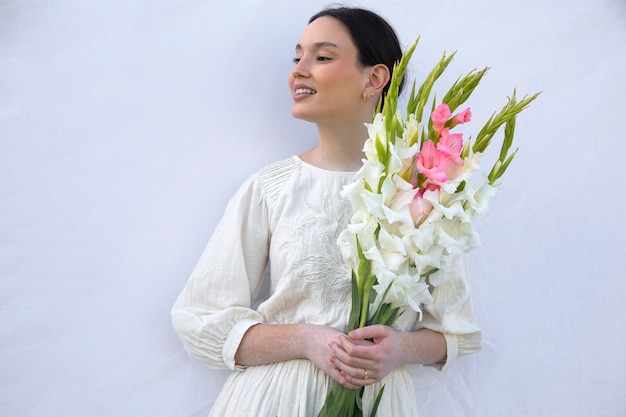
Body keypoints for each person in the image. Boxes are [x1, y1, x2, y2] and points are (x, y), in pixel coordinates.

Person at [171, 6, 481, 416]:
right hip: (275, 400)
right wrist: (304, 338)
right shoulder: (271, 188)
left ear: (374, 78)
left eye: (321, 57)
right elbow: (199, 317)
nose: (298, 70)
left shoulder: (421, 192)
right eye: (297, 57)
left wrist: (398, 348)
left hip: (377, 401)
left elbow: (457, 331)